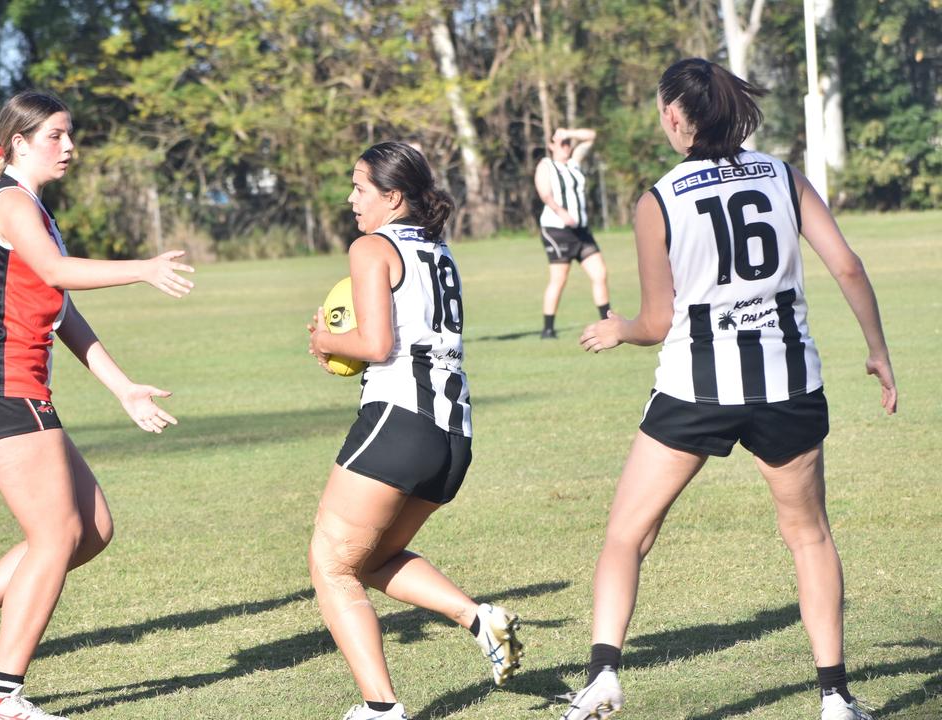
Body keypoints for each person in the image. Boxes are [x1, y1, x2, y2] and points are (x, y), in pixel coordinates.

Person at [563, 59, 896, 720]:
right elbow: (849, 266)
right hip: (788, 384)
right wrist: (878, 351)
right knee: (808, 536)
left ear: (675, 117)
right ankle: (834, 697)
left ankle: (603, 676)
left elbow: (659, 323)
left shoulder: (658, 199)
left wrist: (619, 329)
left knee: (627, 534)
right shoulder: (783, 175)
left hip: (696, 387)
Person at [0, 91, 194, 720]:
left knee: (89, 530)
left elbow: (59, 310)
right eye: (56, 137)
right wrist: (142, 268)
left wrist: (122, 386)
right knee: (54, 535)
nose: (70, 148)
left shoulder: (31, 207)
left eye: (70, 135)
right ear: (19, 145)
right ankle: (1, 698)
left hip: (16, 385)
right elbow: (56, 273)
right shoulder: (11, 202)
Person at [306, 142, 522, 720]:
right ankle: (479, 619)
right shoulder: (440, 251)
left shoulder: (371, 247)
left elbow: (375, 345)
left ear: (392, 196)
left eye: (359, 187)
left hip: (399, 420)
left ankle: (380, 710)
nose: (351, 199)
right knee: (373, 560)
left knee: (331, 565)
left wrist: (327, 342)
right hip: (454, 436)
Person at [534, 126, 609, 339]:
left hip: (581, 230)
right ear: (551, 145)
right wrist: (561, 212)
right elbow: (544, 192)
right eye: (561, 143)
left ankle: (607, 321)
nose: (566, 146)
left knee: (600, 273)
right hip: (557, 230)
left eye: (568, 143)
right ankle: (548, 329)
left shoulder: (574, 163)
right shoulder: (546, 165)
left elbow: (592, 136)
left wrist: (568, 133)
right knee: (559, 279)